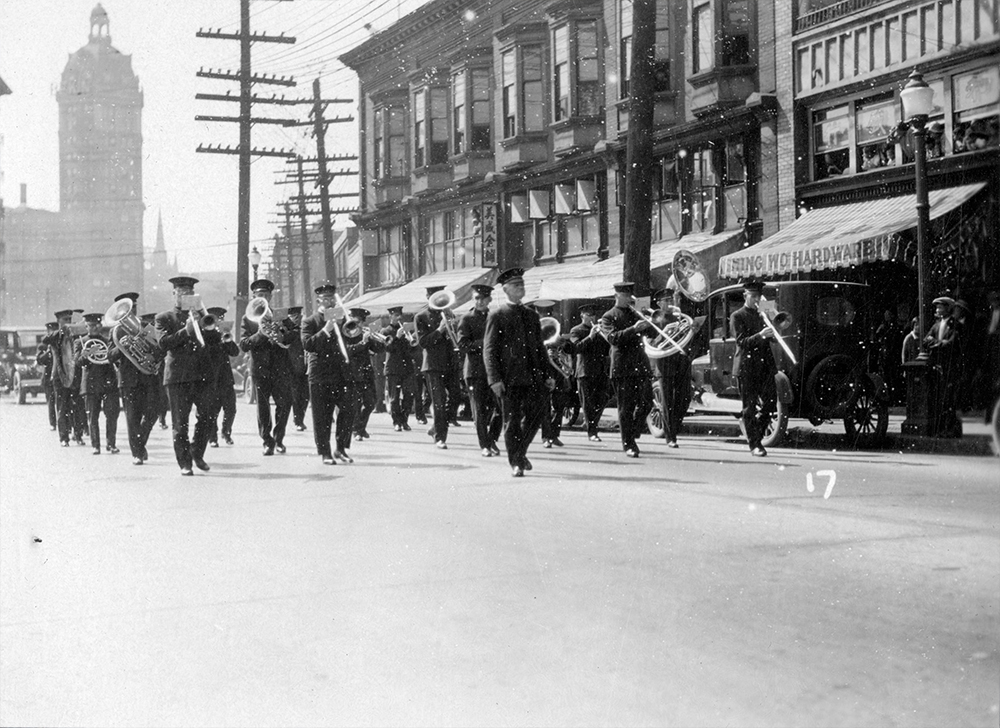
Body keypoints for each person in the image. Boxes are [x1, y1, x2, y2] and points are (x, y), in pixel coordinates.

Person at [484, 267, 555, 477]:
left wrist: (548, 374)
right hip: (509, 378)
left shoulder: (531, 315)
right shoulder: (497, 315)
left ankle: (520, 452)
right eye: (516, 285)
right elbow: (489, 350)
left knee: (537, 415)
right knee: (512, 421)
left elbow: (540, 348)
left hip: (533, 377)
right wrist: (494, 379)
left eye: (522, 284)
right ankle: (515, 461)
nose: (521, 288)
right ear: (506, 290)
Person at [156, 275, 221, 475]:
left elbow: (214, 340)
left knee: (208, 416)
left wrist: (203, 319)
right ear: (174, 294)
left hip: (202, 374)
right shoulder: (164, 317)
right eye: (181, 292)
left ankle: (197, 451)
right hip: (178, 377)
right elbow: (163, 343)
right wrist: (187, 330)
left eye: (189, 293)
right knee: (179, 423)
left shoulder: (202, 315)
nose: (185, 295)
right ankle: (185, 463)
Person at [300, 280, 359, 465]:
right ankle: (325, 452)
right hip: (320, 374)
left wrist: (352, 328)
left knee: (348, 410)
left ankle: (341, 448)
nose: (330, 302)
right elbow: (308, 344)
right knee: (322, 415)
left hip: (341, 372)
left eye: (332, 298)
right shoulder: (309, 321)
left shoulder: (342, 317)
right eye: (325, 298)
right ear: (318, 300)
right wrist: (326, 329)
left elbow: (351, 338)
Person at [241, 278, 296, 456]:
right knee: (263, 407)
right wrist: (260, 334)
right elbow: (243, 344)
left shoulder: (280, 314)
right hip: (260, 368)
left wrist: (282, 333)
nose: (263, 298)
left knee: (285, 403)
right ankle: (267, 441)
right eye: (259, 295)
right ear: (254, 297)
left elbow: (295, 333)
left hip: (280, 367)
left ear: (271, 296)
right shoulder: (248, 318)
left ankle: (279, 438)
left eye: (266, 295)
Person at [106, 292, 162, 465]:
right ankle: (137, 453)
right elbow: (110, 356)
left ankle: (140, 443)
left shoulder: (146, 326)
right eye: (127, 310)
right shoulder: (116, 331)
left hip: (147, 377)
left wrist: (152, 357)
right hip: (128, 380)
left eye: (133, 308)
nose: (131, 313)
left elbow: (159, 349)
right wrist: (122, 345)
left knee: (152, 413)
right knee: (132, 418)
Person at [601, 282, 654, 458]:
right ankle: (628, 444)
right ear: (617, 295)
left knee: (648, 401)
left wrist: (652, 324)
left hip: (640, 364)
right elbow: (613, 338)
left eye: (631, 295)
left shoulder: (635, 313)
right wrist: (634, 329)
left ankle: (633, 432)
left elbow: (650, 335)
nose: (629, 299)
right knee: (626, 407)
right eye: (625, 296)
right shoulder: (608, 316)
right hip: (622, 367)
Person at [730, 278, 777, 457]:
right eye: (753, 296)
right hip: (747, 366)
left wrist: (773, 329)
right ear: (745, 295)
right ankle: (755, 444)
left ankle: (755, 433)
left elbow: (775, 335)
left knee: (771, 402)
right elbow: (742, 342)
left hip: (765, 365)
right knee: (749, 407)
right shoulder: (738, 315)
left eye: (759, 296)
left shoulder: (764, 312)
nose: (757, 299)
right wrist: (761, 335)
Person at [457, 284, 502, 457]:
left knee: (502, 409)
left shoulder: (495, 317)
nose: (480, 302)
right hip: (475, 371)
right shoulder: (466, 318)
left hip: (494, 371)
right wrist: (485, 343)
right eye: (477, 298)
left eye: (484, 298)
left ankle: (491, 439)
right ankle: (485, 445)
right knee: (480, 411)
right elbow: (462, 345)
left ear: (489, 299)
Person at [415, 286, 462, 450]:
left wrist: (454, 327)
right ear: (428, 297)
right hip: (433, 365)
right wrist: (440, 329)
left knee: (456, 396)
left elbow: (455, 338)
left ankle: (437, 426)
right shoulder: (421, 317)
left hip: (450, 363)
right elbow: (423, 342)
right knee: (439, 402)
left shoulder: (449, 314)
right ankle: (440, 437)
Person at [651, 285, 693, 448]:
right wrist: (664, 334)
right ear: (659, 303)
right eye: (666, 300)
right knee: (667, 401)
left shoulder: (678, 318)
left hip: (680, 361)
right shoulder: (654, 319)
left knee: (684, 398)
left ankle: (674, 428)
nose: (670, 303)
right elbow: (651, 344)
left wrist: (692, 330)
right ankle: (670, 436)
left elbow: (684, 339)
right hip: (664, 363)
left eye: (671, 300)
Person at [76, 312, 121, 455]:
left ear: (100, 325)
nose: (93, 328)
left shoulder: (108, 340)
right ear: (86, 326)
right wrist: (87, 353)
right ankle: (96, 446)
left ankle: (111, 444)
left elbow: (114, 359)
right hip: (90, 384)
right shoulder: (80, 342)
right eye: (90, 325)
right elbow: (77, 362)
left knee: (112, 415)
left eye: (96, 325)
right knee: (93, 417)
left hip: (108, 383)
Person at [42, 308, 88, 446]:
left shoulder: (75, 333)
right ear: (59, 322)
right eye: (65, 320)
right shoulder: (56, 335)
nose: (68, 322)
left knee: (78, 407)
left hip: (75, 375)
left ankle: (78, 435)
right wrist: (62, 330)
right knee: (62, 408)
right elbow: (45, 339)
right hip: (60, 375)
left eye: (69, 320)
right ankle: (63, 438)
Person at [568, 304, 610, 442]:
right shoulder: (576, 330)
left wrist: (605, 334)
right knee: (587, 403)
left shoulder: (600, 330)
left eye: (593, 315)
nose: (592, 318)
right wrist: (590, 336)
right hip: (584, 371)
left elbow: (607, 348)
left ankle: (592, 425)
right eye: (588, 315)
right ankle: (592, 432)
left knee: (602, 400)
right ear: (582, 316)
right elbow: (576, 348)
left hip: (601, 370)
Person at [923, 295, 962, 436]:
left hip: (949, 366)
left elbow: (951, 343)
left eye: (940, 307)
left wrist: (936, 344)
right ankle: (940, 429)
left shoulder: (954, 324)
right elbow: (925, 340)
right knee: (939, 399)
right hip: (937, 365)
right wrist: (937, 343)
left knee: (948, 399)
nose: (938, 310)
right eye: (937, 307)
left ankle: (949, 429)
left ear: (947, 308)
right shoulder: (936, 325)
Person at [345, 307, 385, 441]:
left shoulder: (364, 334)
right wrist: (363, 343)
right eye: (356, 322)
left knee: (371, 402)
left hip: (366, 372)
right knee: (355, 404)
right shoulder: (345, 332)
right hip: (352, 372)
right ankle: (357, 430)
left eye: (361, 322)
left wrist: (377, 338)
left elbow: (378, 349)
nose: (359, 325)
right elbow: (347, 350)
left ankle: (360, 427)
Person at [204, 307, 240, 449]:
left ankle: (226, 432)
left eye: (220, 318)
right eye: (215, 319)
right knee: (212, 410)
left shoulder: (224, 335)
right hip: (210, 379)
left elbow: (235, 352)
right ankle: (213, 437)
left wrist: (227, 339)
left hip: (225, 378)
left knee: (231, 408)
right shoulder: (205, 335)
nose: (218, 321)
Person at [381, 306, 419, 432]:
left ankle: (405, 420)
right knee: (394, 397)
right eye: (396, 315)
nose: (399, 318)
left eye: (400, 315)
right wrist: (397, 337)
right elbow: (388, 349)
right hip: (393, 368)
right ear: (390, 316)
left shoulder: (405, 331)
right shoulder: (385, 331)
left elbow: (412, 350)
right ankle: (396, 422)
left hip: (407, 368)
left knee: (409, 395)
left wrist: (412, 340)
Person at [286, 306, 310, 431]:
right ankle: (298, 420)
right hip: (291, 367)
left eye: (299, 316)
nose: (298, 319)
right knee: (295, 396)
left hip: (305, 366)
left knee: (305, 395)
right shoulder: (287, 330)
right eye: (295, 317)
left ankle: (300, 418)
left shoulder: (305, 329)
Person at [36, 321, 59, 431]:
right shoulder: (43, 345)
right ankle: (53, 423)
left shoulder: (60, 342)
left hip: (60, 376)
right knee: (51, 401)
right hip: (48, 377)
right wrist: (48, 352)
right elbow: (40, 360)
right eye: (51, 331)